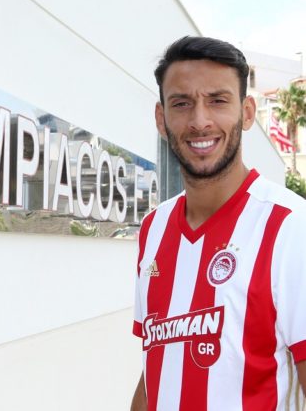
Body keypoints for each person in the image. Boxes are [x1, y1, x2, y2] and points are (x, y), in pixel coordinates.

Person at [130, 36, 306, 411]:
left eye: (217, 100)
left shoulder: (291, 226)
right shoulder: (153, 228)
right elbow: (156, 366)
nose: (200, 121)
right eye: (182, 103)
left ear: (247, 113)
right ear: (161, 118)